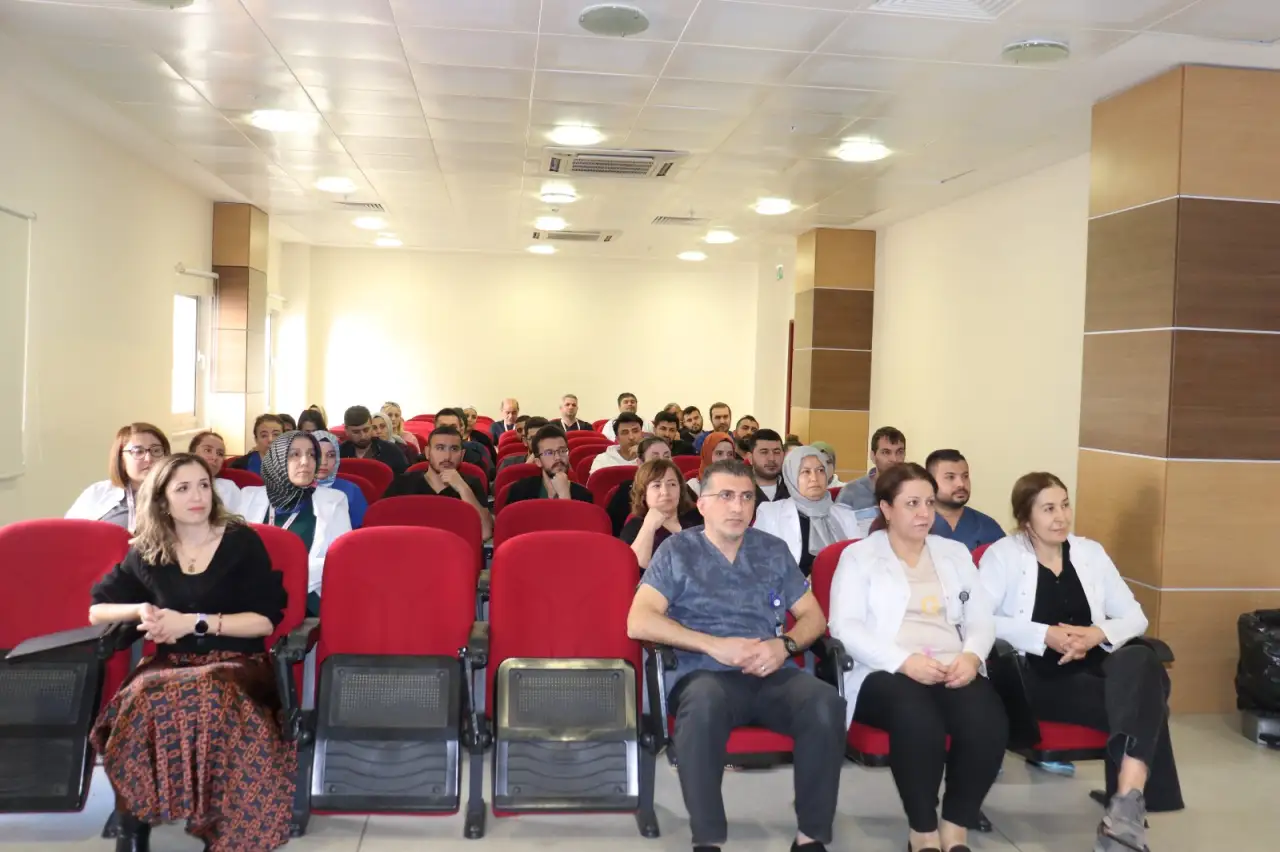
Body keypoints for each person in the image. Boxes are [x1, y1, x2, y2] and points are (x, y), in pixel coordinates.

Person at [627, 459, 846, 852]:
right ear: (702, 505)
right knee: (705, 704)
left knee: (825, 701)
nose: (737, 506)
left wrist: (785, 645)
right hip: (703, 675)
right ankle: (708, 839)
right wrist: (713, 644)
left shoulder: (772, 550)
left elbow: (813, 617)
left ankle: (810, 836)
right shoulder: (678, 550)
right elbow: (638, 620)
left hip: (769, 670)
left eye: (746, 497)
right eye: (725, 496)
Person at [88, 453, 293, 852]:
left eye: (203, 485)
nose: (198, 496)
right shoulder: (149, 549)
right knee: (141, 698)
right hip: (171, 663)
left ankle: (225, 832)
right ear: (162, 500)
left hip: (238, 662)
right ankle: (133, 826)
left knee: (214, 694)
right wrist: (141, 609)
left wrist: (194, 622)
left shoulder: (241, 542)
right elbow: (98, 610)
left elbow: (264, 622)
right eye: (183, 488)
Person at [980, 472, 1183, 850]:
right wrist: (1045, 634)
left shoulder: (1090, 553)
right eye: (1048, 509)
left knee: (1141, 659)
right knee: (1147, 699)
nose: (1061, 517)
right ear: (1025, 517)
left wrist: (1096, 634)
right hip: (1037, 676)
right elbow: (980, 619)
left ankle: (1124, 806)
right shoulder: (1002, 556)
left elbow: (1135, 617)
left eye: (1065, 505)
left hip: (1095, 666)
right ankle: (1127, 807)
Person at [828, 463, 1006, 852]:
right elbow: (845, 627)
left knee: (987, 720)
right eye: (912, 504)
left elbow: (981, 618)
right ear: (886, 508)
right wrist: (904, 662)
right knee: (918, 719)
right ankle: (923, 832)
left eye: (928, 502)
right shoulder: (859, 556)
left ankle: (955, 828)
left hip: (950, 664)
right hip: (884, 671)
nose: (924, 513)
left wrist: (971, 656)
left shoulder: (954, 553)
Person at [239, 431, 352, 615]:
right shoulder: (249, 496)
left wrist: (283, 582)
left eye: (311, 455)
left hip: (306, 598)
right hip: (247, 596)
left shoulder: (334, 500)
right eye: (294, 454)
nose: (305, 462)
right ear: (277, 459)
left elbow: (336, 559)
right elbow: (234, 551)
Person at [753, 447, 859, 576]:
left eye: (820, 470)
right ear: (791, 476)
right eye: (806, 472)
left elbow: (859, 561)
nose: (814, 478)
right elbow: (758, 566)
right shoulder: (771, 513)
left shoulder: (845, 514)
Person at [383, 425, 493, 540]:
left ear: (462, 455)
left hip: (455, 548)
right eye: (440, 448)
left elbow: (485, 532)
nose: (447, 457)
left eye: (454, 449)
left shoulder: (470, 484)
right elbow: (382, 527)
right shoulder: (403, 483)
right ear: (427, 452)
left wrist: (463, 488)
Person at [67, 423, 171, 532]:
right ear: (121, 460)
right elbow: (67, 535)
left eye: (156, 450)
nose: (149, 458)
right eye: (138, 451)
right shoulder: (98, 493)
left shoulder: (177, 493)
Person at [619, 458, 703, 570]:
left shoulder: (698, 516)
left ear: (680, 489)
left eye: (672, 484)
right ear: (643, 493)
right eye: (656, 486)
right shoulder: (635, 526)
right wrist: (649, 527)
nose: (665, 492)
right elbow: (633, 570)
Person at [925, 449, 1004, 552]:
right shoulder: (918, 523)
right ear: (930, 482)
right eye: (950, 477)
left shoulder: (987, 526)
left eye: (965, 476)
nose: (961, 484)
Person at [605, 437, 682, 535]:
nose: (662, 462)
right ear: (640, 463)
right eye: (655, 458)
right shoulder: (625, 493)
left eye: (667, 457)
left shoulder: (683, 487)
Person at [505, 425, 594, 505]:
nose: (558, 457)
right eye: (549, 453)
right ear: (538, 462)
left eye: (562, 451)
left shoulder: (584, 496)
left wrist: (565, 496)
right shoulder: (520, 491)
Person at [836, 425, 906, 511]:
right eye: (886, 452)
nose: (894, 459)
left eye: (899, 452)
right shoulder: (851, 492)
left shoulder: (913, 488)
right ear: (873, 456)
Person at [312, 430, 368, 529]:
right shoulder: (292, 491)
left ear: (337, 459)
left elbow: (361, 531)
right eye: (317, 455)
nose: (324, 462)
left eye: (330, 455)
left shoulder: (351, 491)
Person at [339, 405, 408, 476]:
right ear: (346, 430)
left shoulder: (391, 451)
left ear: (371, 425)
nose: (363, 436)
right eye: (356, 432)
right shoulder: (339, 453)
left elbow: (405, 479)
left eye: (366, 430)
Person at [187, 430, 242, 513]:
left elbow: (240, 517)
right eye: (208, 450)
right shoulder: (175, 484)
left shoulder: (229, 487)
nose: (214, 457)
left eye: (220, 454)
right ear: (191, 454)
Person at [434, 407, 492, 474]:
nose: (448, 431)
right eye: (443, 427)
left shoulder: (477, 452)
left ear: (461, 429)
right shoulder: (426, 455)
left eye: (453, 427)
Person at [687, 431, 738, 496]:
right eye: (719, 453)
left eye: (730, 454)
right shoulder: (693, 487)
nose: (725, 458)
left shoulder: (740, 483)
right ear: (707, 455)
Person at [747, 429, 789, 504]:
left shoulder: (794, 488)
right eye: (764, 452)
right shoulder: (740, 490)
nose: (771, 458)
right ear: (750, 458)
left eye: (777, 452)